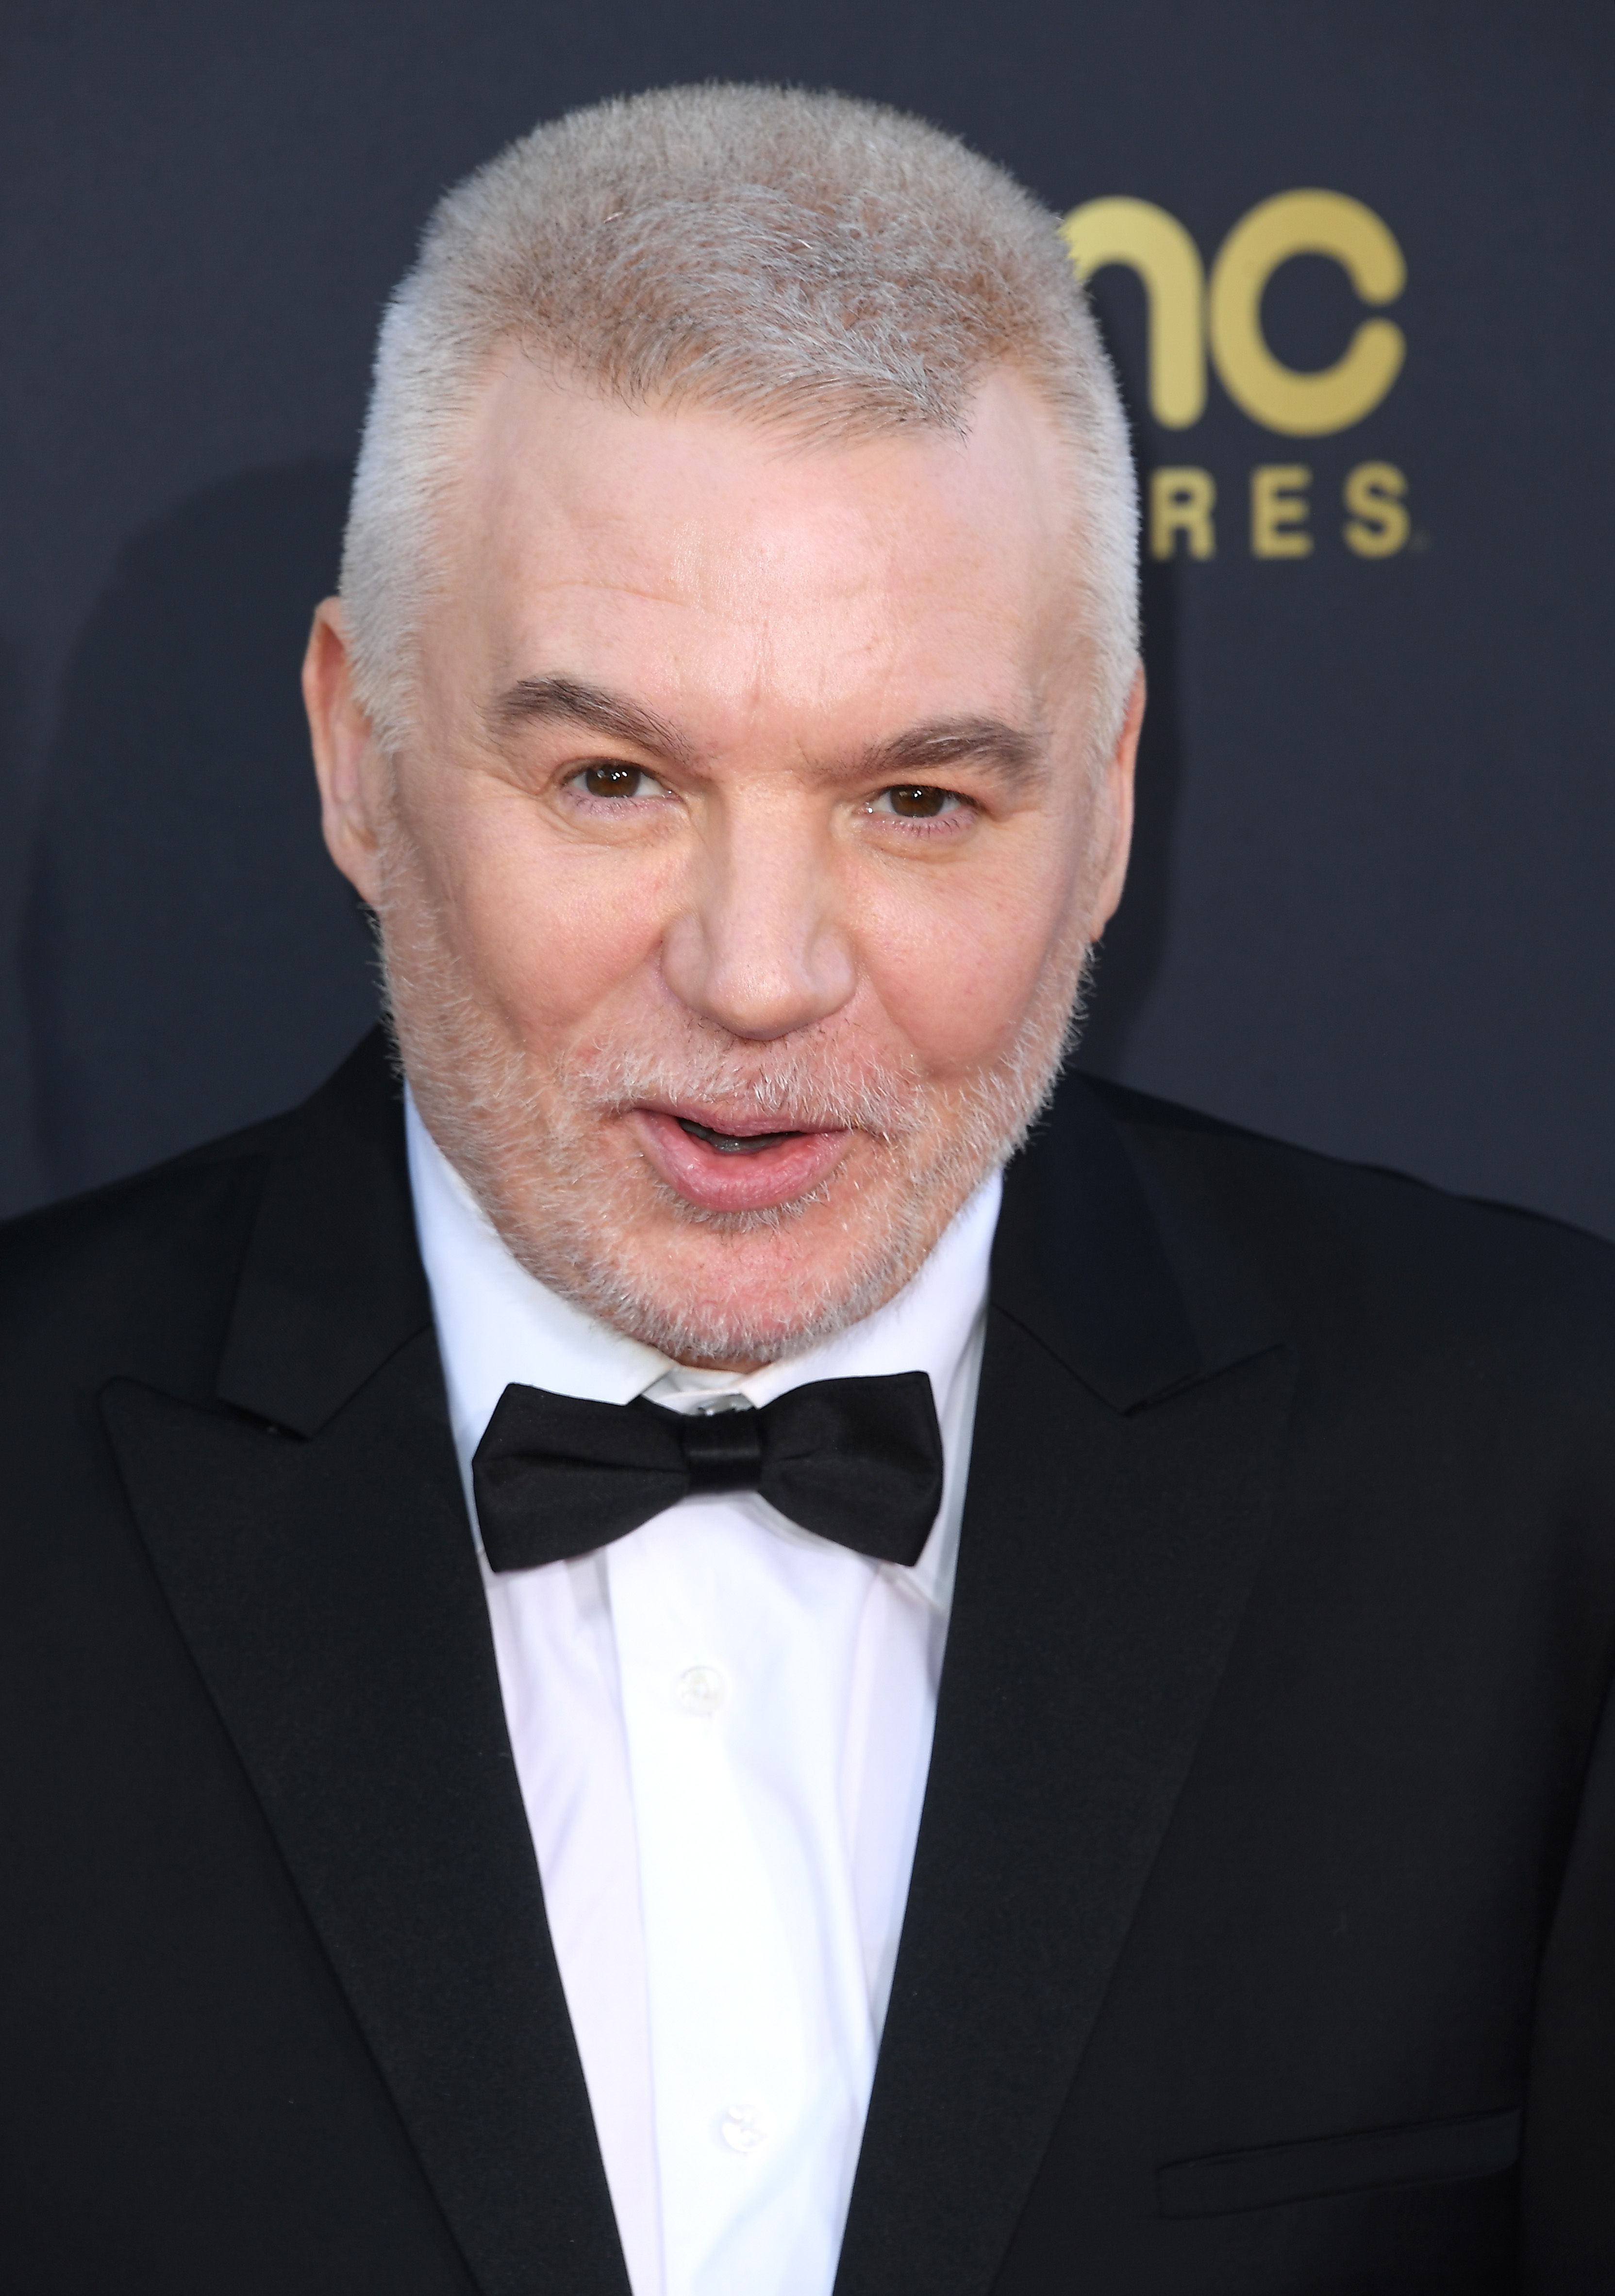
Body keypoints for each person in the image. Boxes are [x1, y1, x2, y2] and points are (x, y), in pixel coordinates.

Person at [1, 81, 1611, 2296]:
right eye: (610, 777)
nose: (759, 976)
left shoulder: (1541, 1477)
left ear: (1112, 798)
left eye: (920, 800)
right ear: (355, 757)